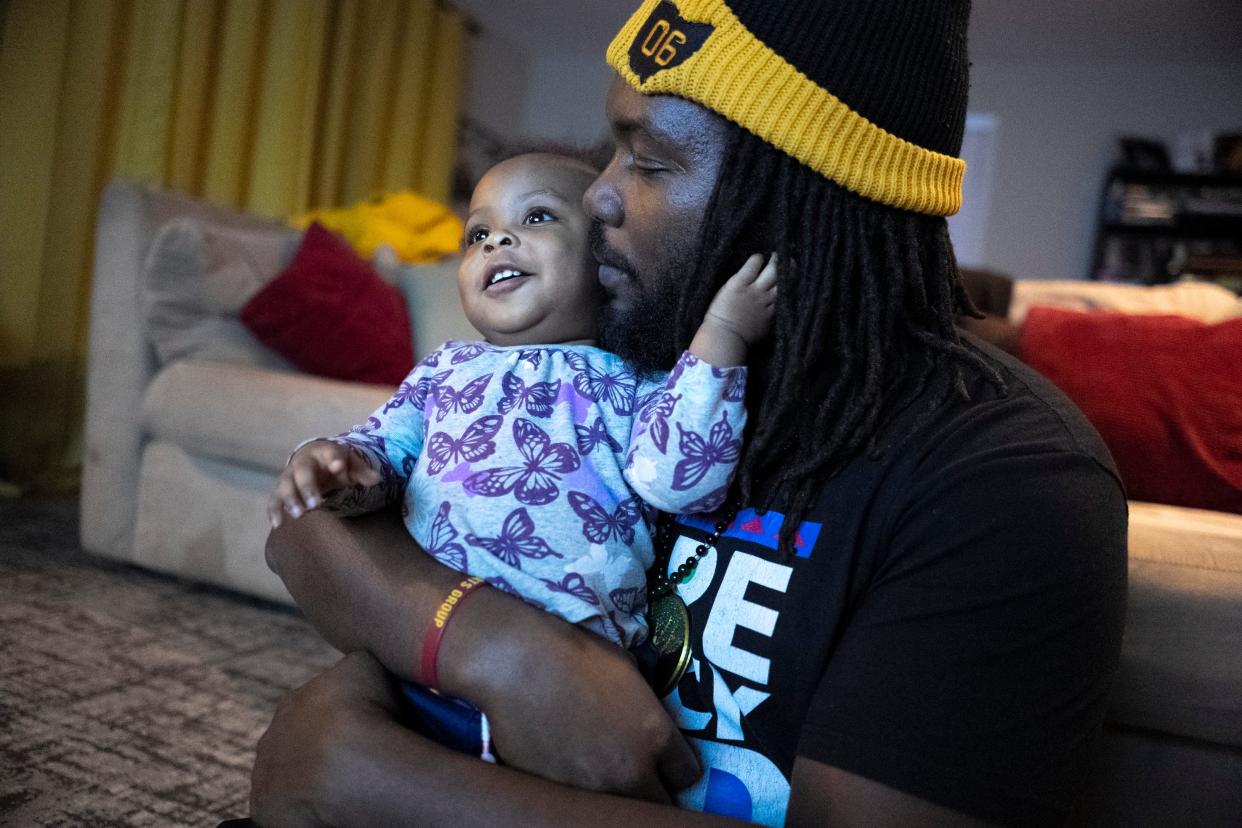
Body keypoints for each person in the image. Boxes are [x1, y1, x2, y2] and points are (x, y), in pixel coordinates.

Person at [250, 1, 1128, 826]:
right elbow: (303, 527)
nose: (598, 194)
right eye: (612, 151)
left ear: (800, 193)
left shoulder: (1001, 478)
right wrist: (502, 653)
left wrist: (365, 779)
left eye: (651, 160)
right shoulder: (638, 341)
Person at [266, 151, 773, 751]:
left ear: (605, 263)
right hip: (419, 647)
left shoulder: (639, 382)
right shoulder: (446, 369)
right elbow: (383, 454)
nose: (496, 239)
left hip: (568, 680)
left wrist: (721, 336)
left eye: (536, 218)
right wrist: (337, 465)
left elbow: (683, 481)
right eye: (477, 232)